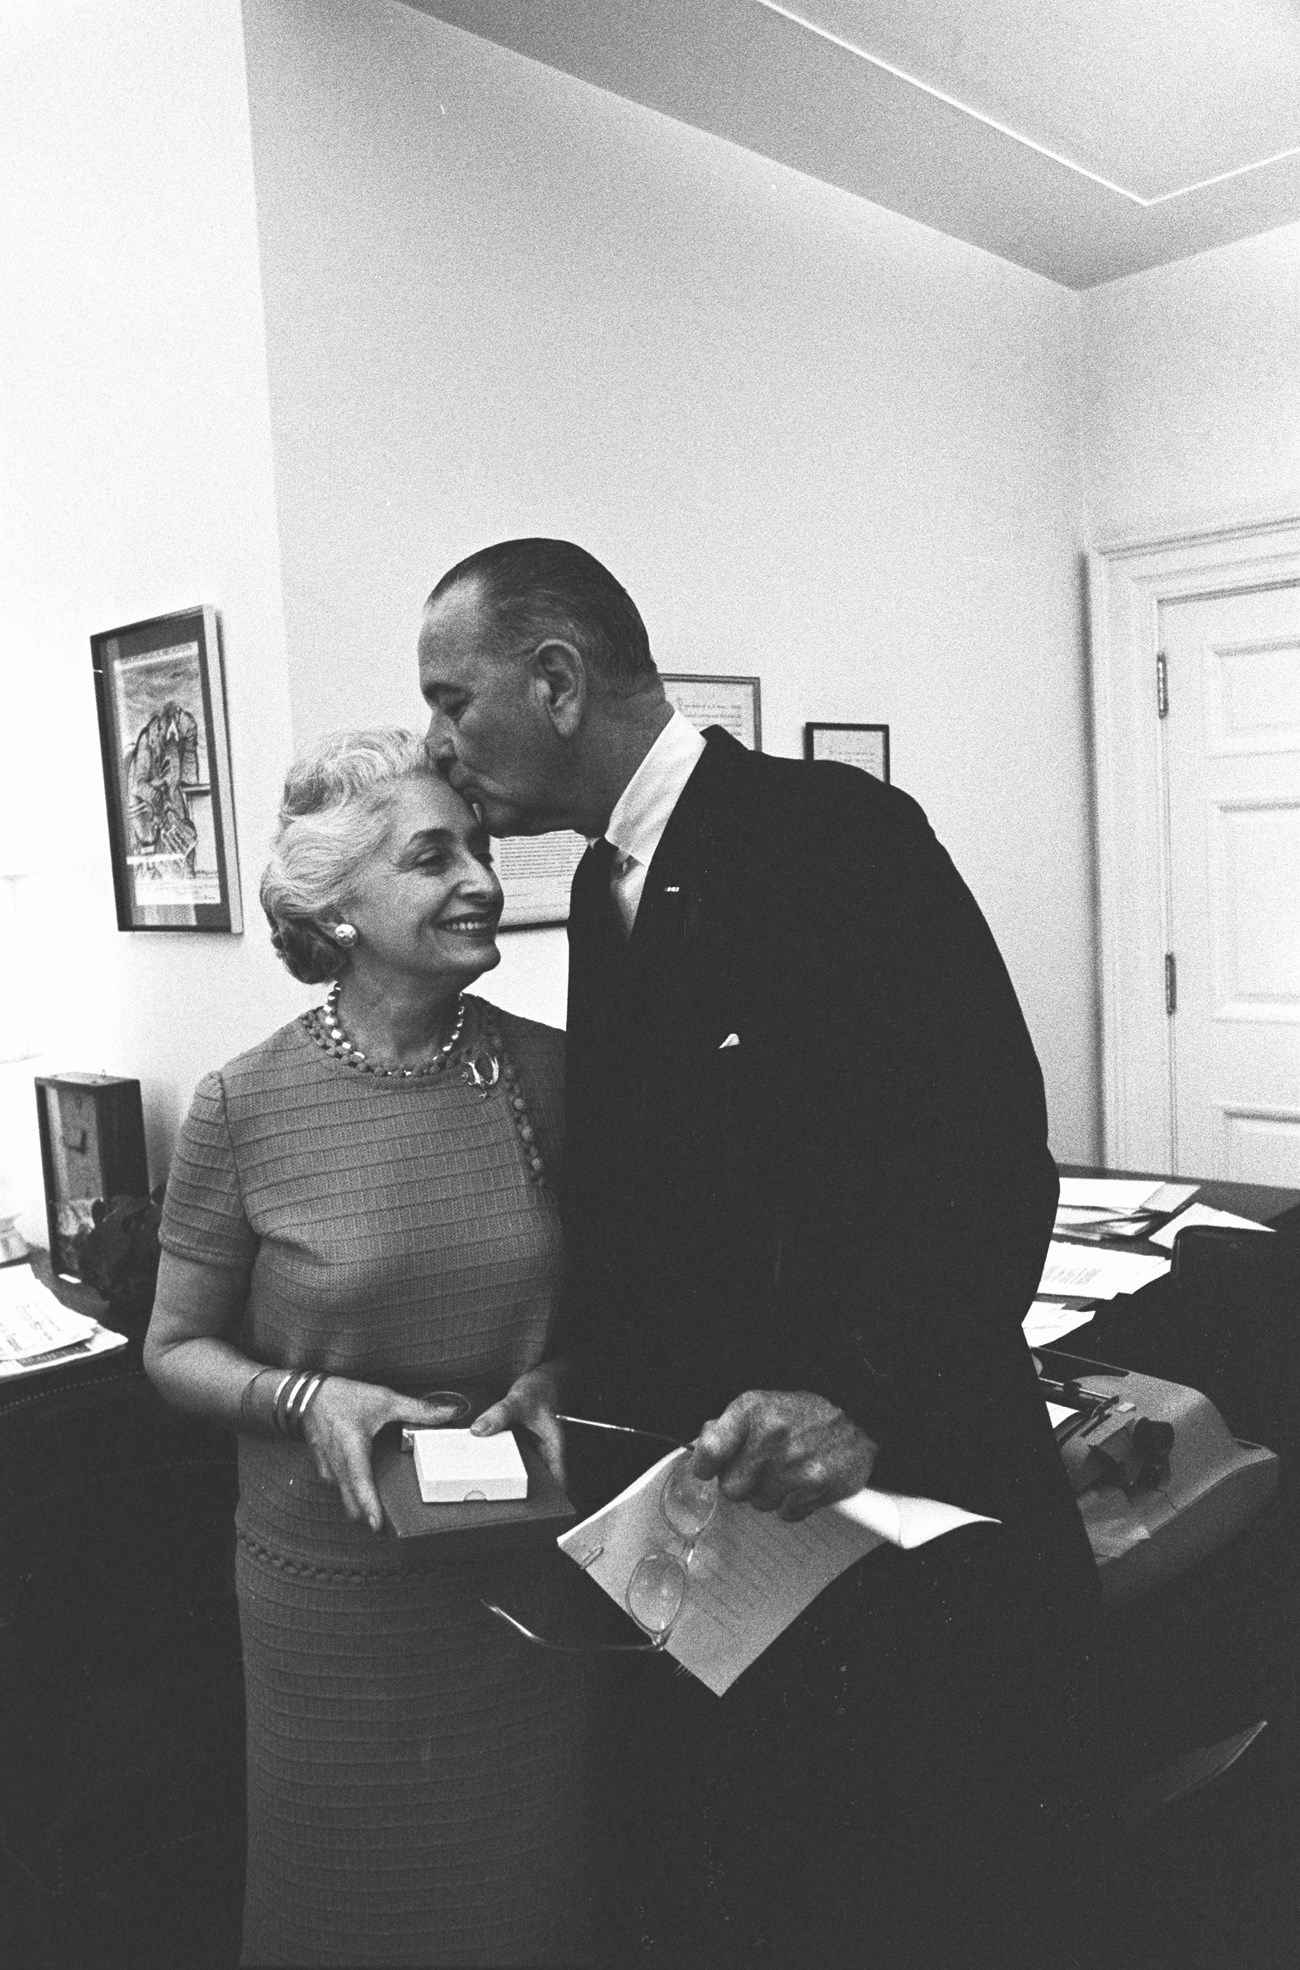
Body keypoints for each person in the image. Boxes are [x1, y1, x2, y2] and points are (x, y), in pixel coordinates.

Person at [415, 539, 1106, 1968]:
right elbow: (673, 1202)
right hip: (744, 1548)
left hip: (906, 1506)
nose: (438, 742)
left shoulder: (834, 834)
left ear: (558, 681)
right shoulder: (605, 885)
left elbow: (988, 1159)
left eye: (451, 698)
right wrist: (579, 1363)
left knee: (943, 1903)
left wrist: (861, 1392)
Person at [143, 728, 590, 1969]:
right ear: (337, 908)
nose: (482, 879)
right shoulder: (241, 1104)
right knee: (346, 1912)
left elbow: (614, 1305)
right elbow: (173, 1348)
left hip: (518, 1578)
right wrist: (309, 1395)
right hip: (332, 1598)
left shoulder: (551, 1071)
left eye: (479, 847)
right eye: (432, 857)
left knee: (518, 1913)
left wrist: (559, 1374)